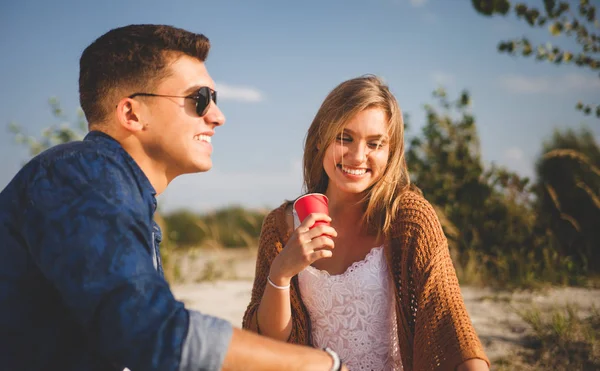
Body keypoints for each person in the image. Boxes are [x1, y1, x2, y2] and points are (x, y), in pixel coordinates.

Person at [0, 24, 348, 371]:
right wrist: (321, 366)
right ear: (131, 114)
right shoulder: (81, 174)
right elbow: (151, 333)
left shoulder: (114, 191)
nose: (217, 116)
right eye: (198, 99)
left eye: (215, 99)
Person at [242, 75, 491, 371]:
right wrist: (281, 273)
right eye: (344, 138)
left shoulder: (409, 220)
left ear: (390, 152)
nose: (358, 156)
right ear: (321, 138)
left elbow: (450, 325)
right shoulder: (280, 226)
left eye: (375, 144)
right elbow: (269, 343)